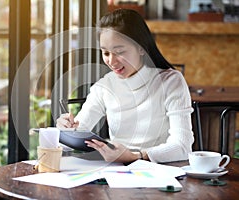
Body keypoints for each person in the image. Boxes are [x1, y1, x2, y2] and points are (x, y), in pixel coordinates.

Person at [56, 9, 194, 164]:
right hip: (117, 171)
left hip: (160, 170)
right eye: (106, 53)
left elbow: (182, 146)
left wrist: (137, 156)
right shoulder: (104, 86)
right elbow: (76, 134)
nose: (112, 62)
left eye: (119, 52)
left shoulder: (170, 81)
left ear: (141, 48)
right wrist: (67, 130)